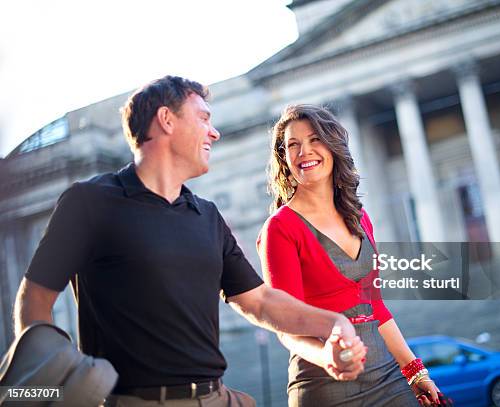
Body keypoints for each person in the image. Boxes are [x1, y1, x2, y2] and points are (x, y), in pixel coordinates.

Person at [13, 76, 367, 406]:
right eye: (203, 118)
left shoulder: (207, 215)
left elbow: (259, 302)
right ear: (167, 120)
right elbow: (35, 300)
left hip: (215, 396)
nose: (213, 133)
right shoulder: (89, 202)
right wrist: (53, 386)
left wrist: (334, 323)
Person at [257, 104, 448, 407]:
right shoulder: (280, 228)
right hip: (325, 386)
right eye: (292, 145)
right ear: (285, 159)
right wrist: (328, 358)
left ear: (333, 146)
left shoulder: (359, 218)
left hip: (386, 376)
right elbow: (286, 327)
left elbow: (376, 307)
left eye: (314, 139)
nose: (304, 151)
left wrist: (415, 372)